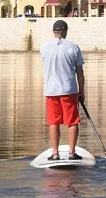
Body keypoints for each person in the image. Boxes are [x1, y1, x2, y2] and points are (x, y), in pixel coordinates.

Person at [40, 20, 85, 161]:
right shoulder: (74, 47)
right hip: (69, 89)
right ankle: (72, 153)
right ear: (65, 31)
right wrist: (81, 91)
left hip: (51, 91)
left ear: (54, 32)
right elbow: (80, 72)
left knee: (53, 122)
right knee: (72, 122)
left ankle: (55, 153)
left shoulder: (44, 47)